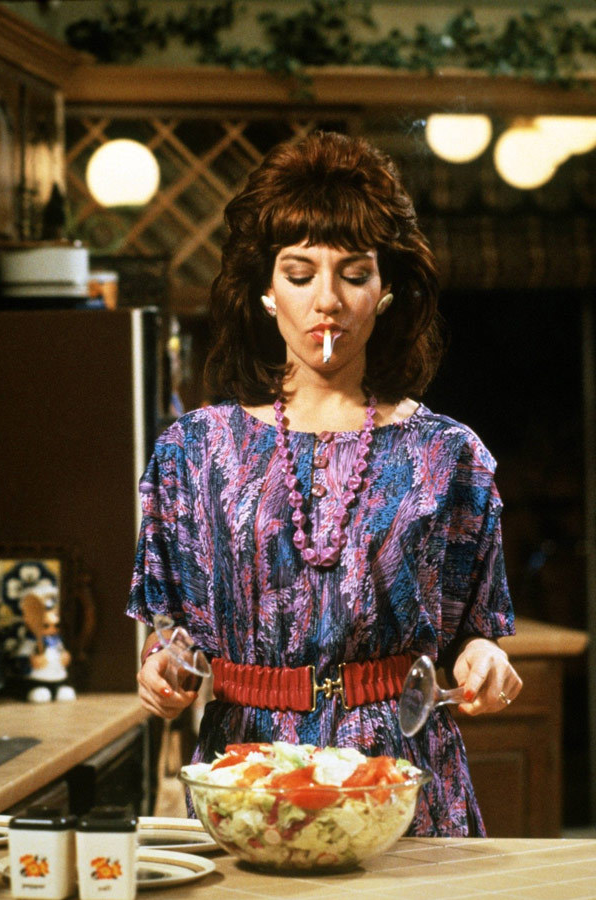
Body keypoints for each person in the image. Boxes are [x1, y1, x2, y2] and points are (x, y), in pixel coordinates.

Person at [127, 130, 522, 836]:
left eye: (354, 274)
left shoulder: (448, 454)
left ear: (387, 291)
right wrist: (164, 665)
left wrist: (486, 659)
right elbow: (168, 630)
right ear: (265, 289)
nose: (328, 301)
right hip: (247, 778)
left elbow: (477, 634)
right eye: (300, 272)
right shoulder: (193, 452)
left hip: (402, 777)